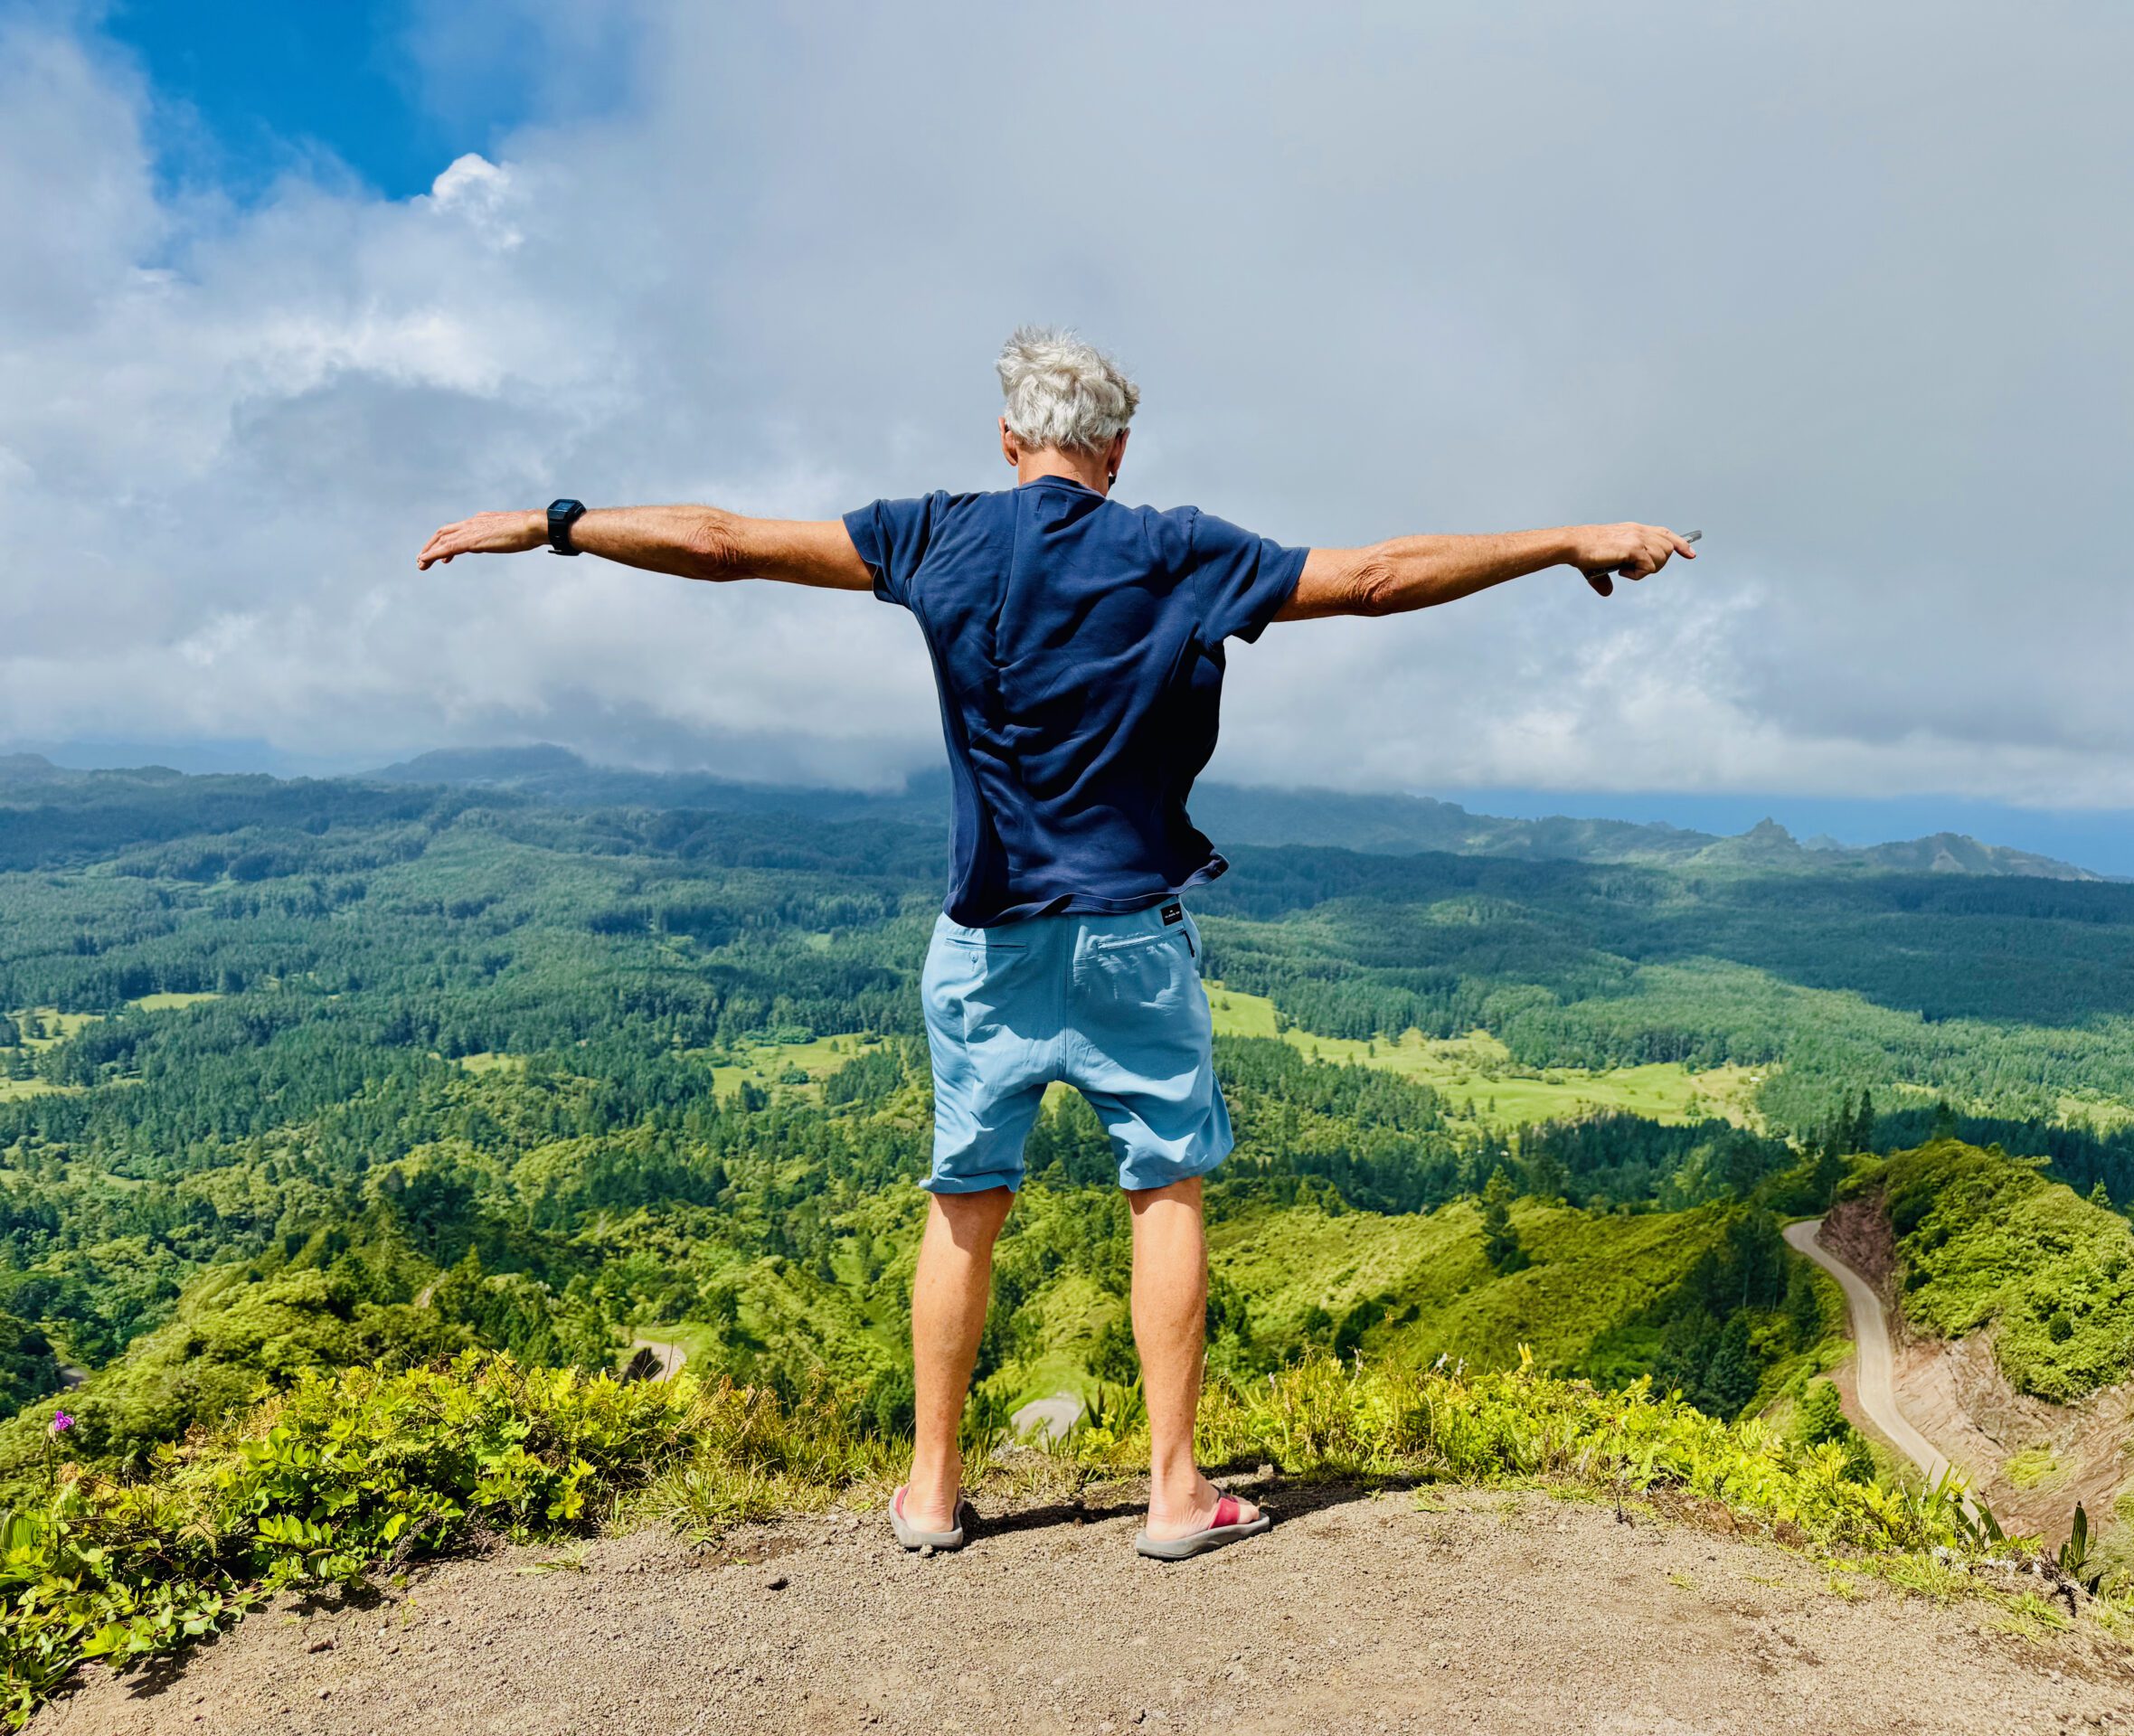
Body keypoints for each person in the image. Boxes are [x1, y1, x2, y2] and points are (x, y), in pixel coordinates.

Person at [417, 326, 1695, 1560]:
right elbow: (1374, 580)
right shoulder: (1182, 552)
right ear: (1119, 449)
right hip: (1132, 932)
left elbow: (721, 545)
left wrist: (554, 524)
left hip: (984, 937)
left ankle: (928, 1489)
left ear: (1009, 437)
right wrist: (1564, 537)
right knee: (1165, 1190)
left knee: (964, 1204)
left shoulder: (935, 535)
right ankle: (1176, 1493)